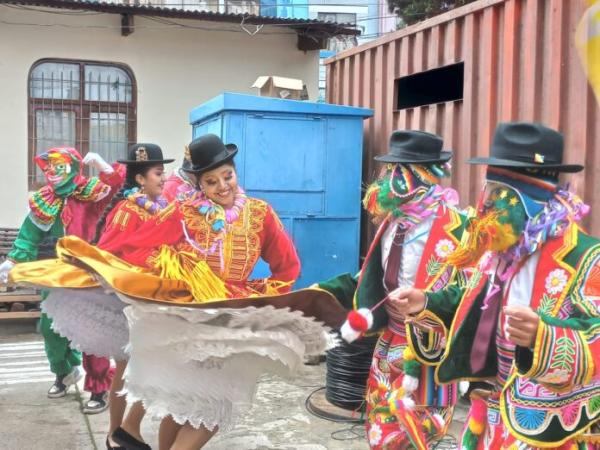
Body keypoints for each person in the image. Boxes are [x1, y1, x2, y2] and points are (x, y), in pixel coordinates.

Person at [391, 122, 600, 448]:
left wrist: (544, 335)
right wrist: (426, 302)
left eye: (497, 197)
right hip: (491, 414)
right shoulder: (499, 252)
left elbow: (595, 333)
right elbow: (472, 301)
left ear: (529, 201)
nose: (484, 208)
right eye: (487, 191)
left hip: (550, 429)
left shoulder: (586, 257)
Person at [318, 130, 469, 449]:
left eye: (400, 172)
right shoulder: (391, 223)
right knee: (381, 431)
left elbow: (470, 295)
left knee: (417, 434)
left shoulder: (460, 229)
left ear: (427, 176)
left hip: (430, 351)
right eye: (390, 170)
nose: (389, 180)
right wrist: (318, 293)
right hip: (388, 346)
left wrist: (425, 301)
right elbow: (366, 279)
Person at [0, 147, 121, 413]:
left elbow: (115, 187)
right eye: (49, 167)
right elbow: (28, 233)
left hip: (86, 272)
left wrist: (105, 169)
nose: (52, 172)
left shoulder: (89, 193)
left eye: (59, 165)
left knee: (90, 332)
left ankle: (99, 387)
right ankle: (64, 372)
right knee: (50, 327)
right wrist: (13, 260)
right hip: (55, 272)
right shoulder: (47, 199)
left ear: (75, 167)